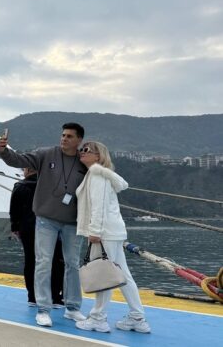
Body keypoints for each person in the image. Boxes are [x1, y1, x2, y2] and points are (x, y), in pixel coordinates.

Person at [0, 123, 88, 327]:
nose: (64, 139)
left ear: (79, 140)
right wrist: (3, 151)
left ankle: (73, 308)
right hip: (46, 219)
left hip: (73, 222)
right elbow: (18, 159)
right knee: (43, 262)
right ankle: (43, 309)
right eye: (63, 135)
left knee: (73, 264)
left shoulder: (85, 162)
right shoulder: (46, 154)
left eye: (69, 136)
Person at [75, 141, 151, 334]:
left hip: (104, 233)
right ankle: (137, 317)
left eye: (86, 150)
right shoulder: (99, 174)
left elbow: (98, 206)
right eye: (81, 149)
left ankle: (98, 318)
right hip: (113, 232)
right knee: (123, 275)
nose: (81, 152)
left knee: (102, 274)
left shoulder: (97, 174)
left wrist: (94, 232)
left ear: (98, 156)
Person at [10, 168, 65, 307]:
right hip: (51, 228)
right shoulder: (51, 185)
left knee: (31, 261)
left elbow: (14, 210)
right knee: (55, 261)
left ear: (27, 170)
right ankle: (55, 296)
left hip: (28, 229)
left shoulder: (20, 186)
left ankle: (32, 297)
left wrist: (15, 227)